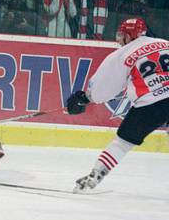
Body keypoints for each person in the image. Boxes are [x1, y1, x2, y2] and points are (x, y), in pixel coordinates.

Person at [66, 18, 169, 192]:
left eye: (122, 35)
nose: (119, 39)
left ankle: (93, 178)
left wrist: (86, 98)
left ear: (130, 36)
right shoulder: (164, 43)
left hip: (151, 103)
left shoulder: (124, 53)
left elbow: (104, 87)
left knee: (122, 143)